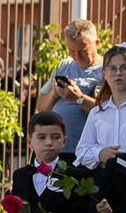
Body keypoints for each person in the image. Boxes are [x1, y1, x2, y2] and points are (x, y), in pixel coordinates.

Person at [35, 19, 103, 152]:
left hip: (88, 152)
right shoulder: (64, 65)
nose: (77, 56)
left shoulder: (108, 70)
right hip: (57, 151)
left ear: (97, 43)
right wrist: (54, 94)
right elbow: (40, 106)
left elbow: (110, 110)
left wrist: (79, 98)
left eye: (83, 51)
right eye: (71, 50)